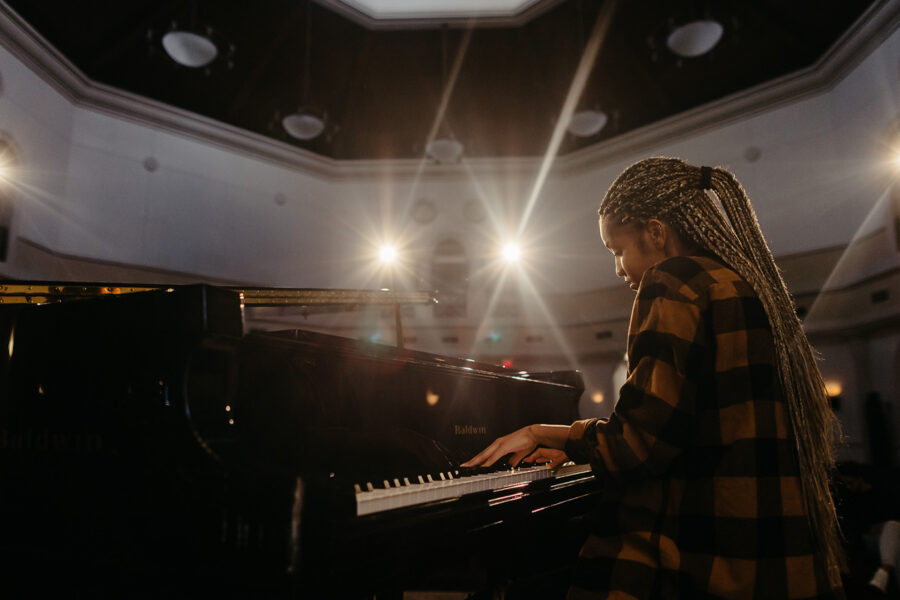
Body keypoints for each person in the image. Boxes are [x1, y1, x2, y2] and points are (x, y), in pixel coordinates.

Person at [464, 157, 846, 599]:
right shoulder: (736, 284)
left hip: (702, 557)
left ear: (656, 232)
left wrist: (541, 433)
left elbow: (636, 446)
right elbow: (680, 433)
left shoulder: (674, 281)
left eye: (618, 249)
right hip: (762, 555)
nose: (618, 269)